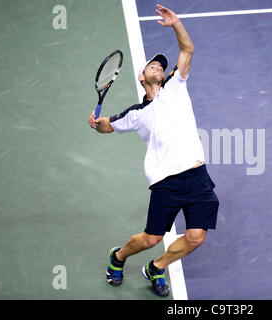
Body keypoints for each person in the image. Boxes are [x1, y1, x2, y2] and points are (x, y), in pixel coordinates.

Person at [88, 4, 219, 297]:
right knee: (150, 238)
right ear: (142, 78)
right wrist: (95, 122)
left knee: (197, 237)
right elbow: (106, 126)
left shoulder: (176, 85)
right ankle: (118, 256)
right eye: (152, 65)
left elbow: (187, 50)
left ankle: (156, 268)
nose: (158, 65)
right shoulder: (136, 113)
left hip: (197, 174)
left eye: (160, 64)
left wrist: (176, 24)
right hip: (166, 182)